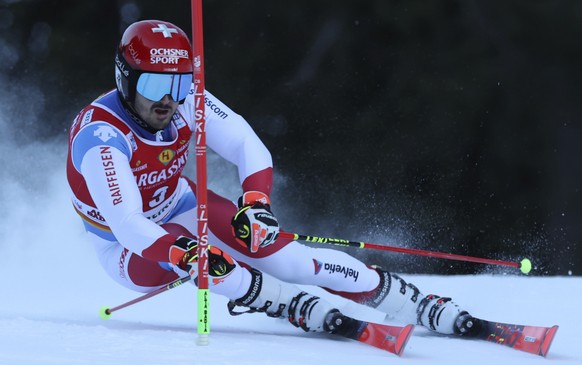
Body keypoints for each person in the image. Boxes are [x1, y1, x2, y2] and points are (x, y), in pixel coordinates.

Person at [67, 19, 478, 337]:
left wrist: (256, 202)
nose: (168, 99)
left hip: (181, 203)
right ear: (126, 78)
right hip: (126, 247)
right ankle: (281, 302)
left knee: (284, 256)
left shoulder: (184, 100)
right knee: (210, 264)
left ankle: (405, 300)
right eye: (156, 84)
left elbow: (246, 143)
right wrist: (183, 253)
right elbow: (126, 223)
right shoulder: (102, 138)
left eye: (178, 82)